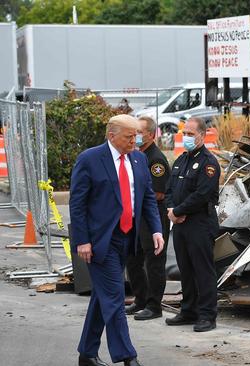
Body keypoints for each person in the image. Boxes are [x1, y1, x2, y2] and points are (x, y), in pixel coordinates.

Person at [70, 114, 164, 366]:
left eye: (137, 136)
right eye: (129, 136)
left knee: (102, 297)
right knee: (114, 297)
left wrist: (156, 229)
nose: (135, 140)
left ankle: (87, 354)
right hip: (101, 242)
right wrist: (82, 241)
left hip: (128, 238)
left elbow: (145, 199)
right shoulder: (90, 159)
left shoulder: (139, 158)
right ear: (111, 136)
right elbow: (77, 204)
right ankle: (127, 357)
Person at [164, 117, 220, 332]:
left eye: (190, 134)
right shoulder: (181, 160)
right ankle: (188, 310)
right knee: (185, 269)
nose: (186, 137)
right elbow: (169, 190)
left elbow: (202, 194)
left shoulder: (208, 162)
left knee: (203, 271)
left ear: (202, 136)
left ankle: (207, 316)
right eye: (184, 133)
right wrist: (171, 210)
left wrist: (178, 211)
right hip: (180, 225)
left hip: (199, 223)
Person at [125, 116, 171, 320]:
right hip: (137, 216)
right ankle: (140, 299)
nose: (135, 136)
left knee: (154, 262)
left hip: (153, 215)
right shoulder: (135, 156)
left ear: (151, 135)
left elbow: (159, 193)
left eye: (140, 132)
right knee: (133, 259)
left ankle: (154, 306)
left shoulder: (156, 160)